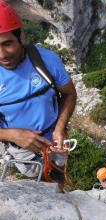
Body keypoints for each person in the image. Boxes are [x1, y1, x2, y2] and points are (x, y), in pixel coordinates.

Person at [0, 1, 77, 183]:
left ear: (21, 37)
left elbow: (69, 94)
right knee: (38, 183)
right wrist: (12, 135)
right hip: (21, 150)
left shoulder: (46, 60)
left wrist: (60, 128)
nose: (2, 54)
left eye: (7, 43)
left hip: (54, 141)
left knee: (58, 180)